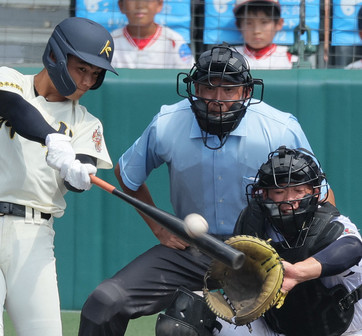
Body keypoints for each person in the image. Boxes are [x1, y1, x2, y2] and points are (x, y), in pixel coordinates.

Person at [78, 43, 333, 336]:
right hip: (193, 250)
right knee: (105, 302)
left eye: (228, 90)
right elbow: (127, 174)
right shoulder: (167, 123)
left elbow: (321, 196)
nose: (217, 99)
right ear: (193, 89)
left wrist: (305, 260)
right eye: (207, 88)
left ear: (247, 92)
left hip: (263, 253)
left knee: (308, 317)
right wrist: (160, 228)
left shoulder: (278, 128)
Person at [0, 17, 117, 336]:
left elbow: (76, 173)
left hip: (34, 238)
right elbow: (11, 106)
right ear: (56, 55)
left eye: (95, 74)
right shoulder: (7, 80)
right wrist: (52, 138)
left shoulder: (88, 123)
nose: (87, 82)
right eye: (81, 68)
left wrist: (76, 173)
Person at [230, 146, 362, 336]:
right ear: (264, 194)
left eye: (298, 190)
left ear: (314, 192)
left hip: (349, 328)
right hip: (280, 327)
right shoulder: (253, 223)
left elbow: (352, 247)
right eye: (279, 191)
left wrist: (296, 272)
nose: (289, 199)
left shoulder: (330, 222)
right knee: (199, 314)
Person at [110, 0, 194, 69]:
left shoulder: (174, 41)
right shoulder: (111, 41)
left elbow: (188, 77)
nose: (140, 5)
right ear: (121, 6)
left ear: (159, 5)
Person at [233, 0, 298, 69]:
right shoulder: (230, 57)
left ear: (279, 24)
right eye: (249, 23)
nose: (256, 31)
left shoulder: (290, 58)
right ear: (238, 25)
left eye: (264, 22)